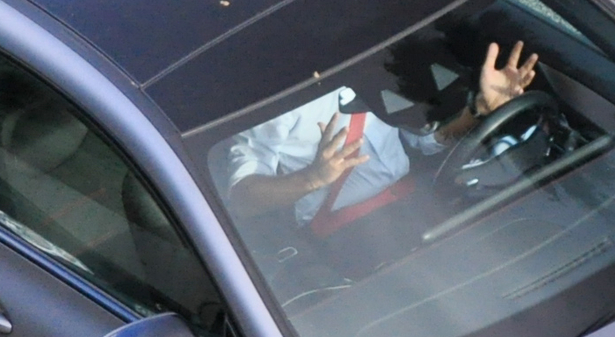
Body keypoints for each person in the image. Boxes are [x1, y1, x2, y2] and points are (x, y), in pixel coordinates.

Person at [220, 41, 539, 235]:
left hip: (416, 199)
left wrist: (479, 112)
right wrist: (312, 178)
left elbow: (419, 141)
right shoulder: (273, 108)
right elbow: (242, 201)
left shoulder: (380, 63)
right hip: (347, 233)